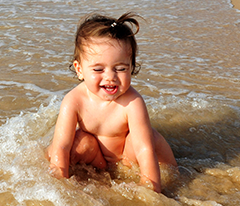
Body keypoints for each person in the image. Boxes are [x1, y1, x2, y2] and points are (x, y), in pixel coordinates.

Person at [46, 13, 177, 193]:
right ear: (79, 70)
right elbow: (62, 146)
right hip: (97, 161)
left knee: (149, 139)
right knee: (70, 144)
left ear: (131, 67)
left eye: (120, 68)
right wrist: (59, 189)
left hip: (126, 161)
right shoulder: (74, 100)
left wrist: (151, 194)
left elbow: (144, 150)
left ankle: (161, 179)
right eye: (98, 69)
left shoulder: (133, 102)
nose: (110, 77)